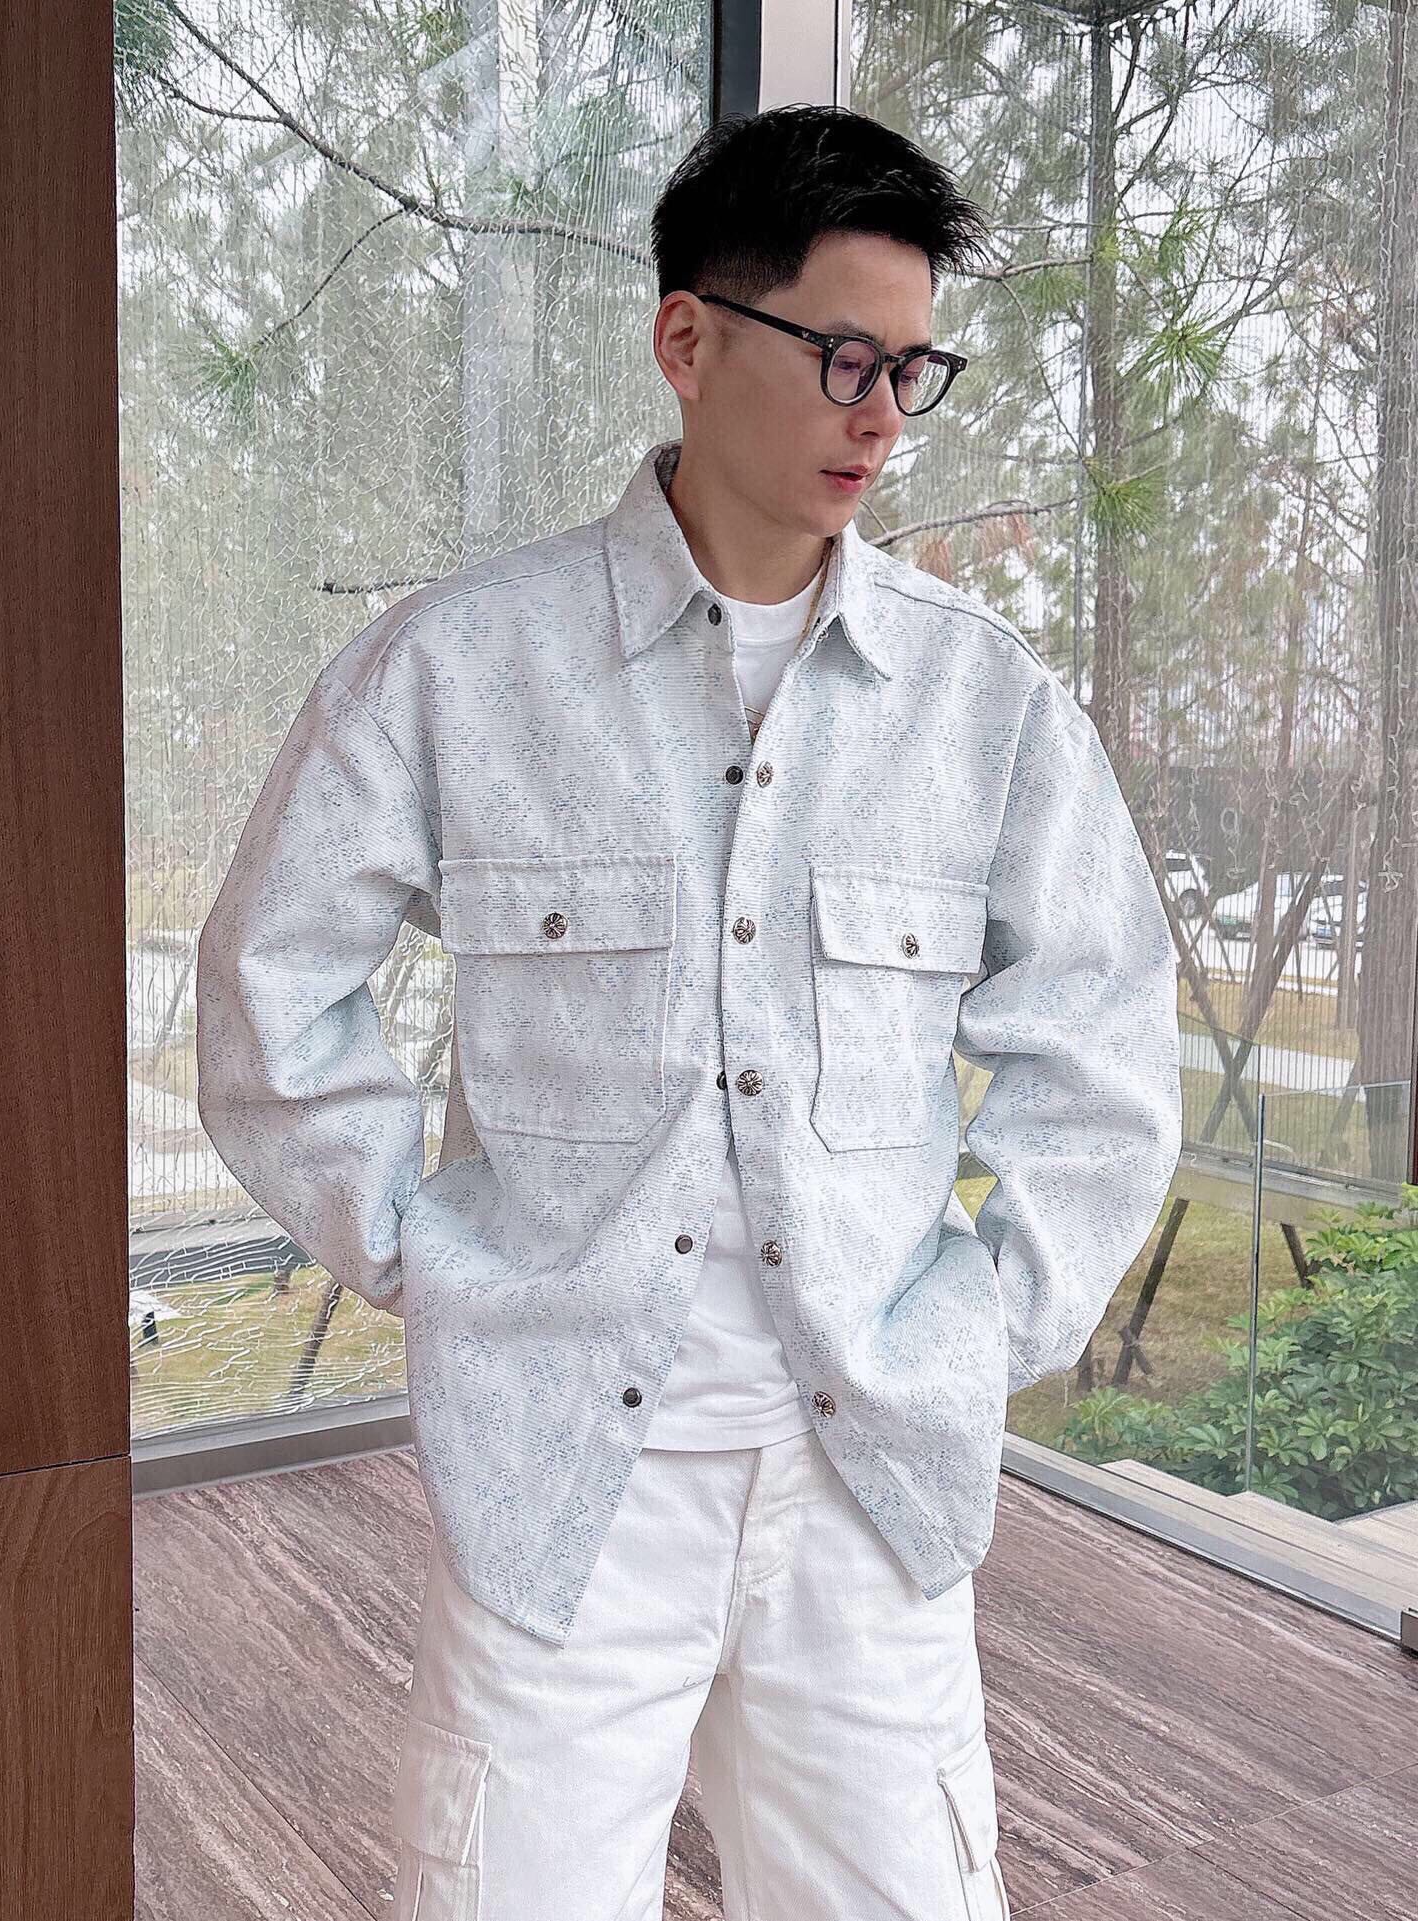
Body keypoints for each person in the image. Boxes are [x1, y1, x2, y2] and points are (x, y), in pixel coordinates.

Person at [195, 102, 1183, 1921]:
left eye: (915, 370)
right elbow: (271, 988)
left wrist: (980, 1322)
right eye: (845, 358)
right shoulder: (461, 668)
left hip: (866, 1478)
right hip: (566, 1472)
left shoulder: (985, 707)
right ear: (688, 338)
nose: (883, 416)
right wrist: (421, 1249)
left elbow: (1105, 1058)